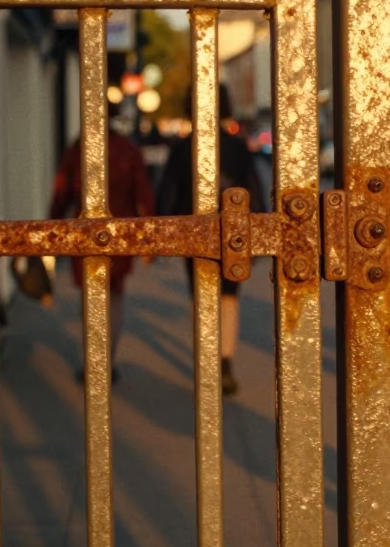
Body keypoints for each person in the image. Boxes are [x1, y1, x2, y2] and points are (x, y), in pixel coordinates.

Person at [155, 83, 265, 396]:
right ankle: (226, 361)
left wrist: (162, 235)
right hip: (235, 233)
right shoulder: (237, 147)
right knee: (229, 298)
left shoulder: (182, 148)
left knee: (201, 297)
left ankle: (207, 360)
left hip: (194, 233)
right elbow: (254, 189)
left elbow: (168, 192)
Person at [49, 101, 155, 385]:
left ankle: (92, 362)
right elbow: (143, 193)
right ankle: (108, 359)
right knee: (115, 295)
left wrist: (52, 229)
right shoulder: (127, 150)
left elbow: (61, 192)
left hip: (84, 233)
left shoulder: (77, 149)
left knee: (91, 297)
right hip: (120, 233)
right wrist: (149, 240)